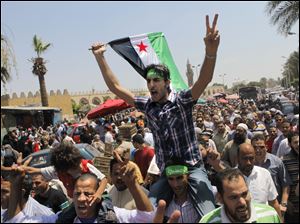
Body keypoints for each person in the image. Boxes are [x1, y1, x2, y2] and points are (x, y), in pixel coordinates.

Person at [91, 14, 220, 218]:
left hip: (192, 169)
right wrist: (100, 57)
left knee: (210, 215)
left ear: (167, 82)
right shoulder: (147, 105)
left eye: (156, 80)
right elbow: (116, 87)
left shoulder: (182, 100)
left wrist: (211, 52)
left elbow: (204, 80)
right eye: (148, 81)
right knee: (147, 213)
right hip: (165, 171)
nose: (151, 85)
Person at [23, 142, 108, 205]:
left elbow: (104, 179)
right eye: (75, 167)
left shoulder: (87, 167)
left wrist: (98, 194)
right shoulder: (58, 172)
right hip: (77, 204)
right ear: (65, 170)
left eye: (78, 163)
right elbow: (35, 170)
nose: (80, 167)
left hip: (95, 202)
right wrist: (21, 168)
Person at [200, 168, 281, 223]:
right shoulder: (207, 221)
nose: (242, 202)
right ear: (220, 198)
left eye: (245, 194)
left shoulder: (270, 214)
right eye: (233, 197)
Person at [237, 143, 282, 220]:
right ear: (237, 158)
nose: (248, 162)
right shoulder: (229, 177)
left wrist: (280, 220)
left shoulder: (265, 174)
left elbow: (273, 202)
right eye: (245, 158)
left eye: (251, 158)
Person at [251, 134, 291, 217]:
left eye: (261, 147)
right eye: (255, 147)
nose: (258, 150)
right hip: (255, 209)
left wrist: (283, 204)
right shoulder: (247, 164)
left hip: (275, 207)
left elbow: (285, 184)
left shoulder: (277, 162)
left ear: (266, 147)